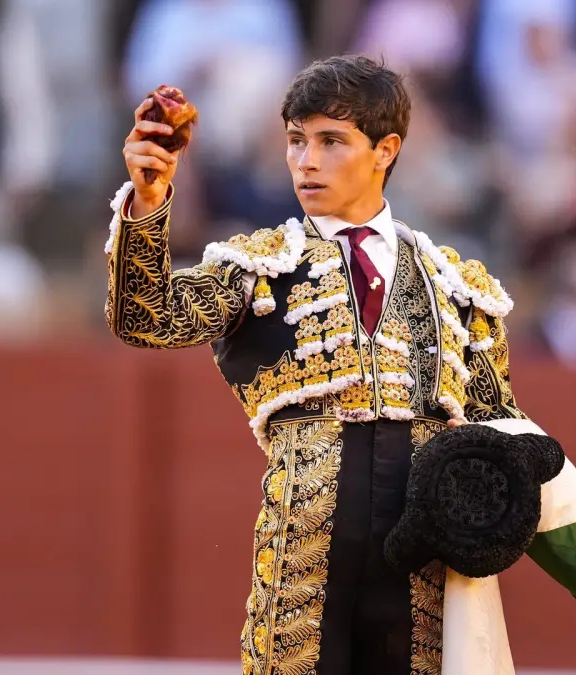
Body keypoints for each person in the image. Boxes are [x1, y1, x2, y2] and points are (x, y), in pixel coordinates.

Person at [104, 56, 529, 674]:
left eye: (331, 141)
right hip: (300, 560)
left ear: (385, 150)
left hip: (424, 569)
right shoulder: (258, 267)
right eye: (296, 140)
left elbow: (501, 430)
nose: (306, 161)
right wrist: (148, 201)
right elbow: (148, 318)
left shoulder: (456, 287)